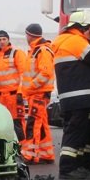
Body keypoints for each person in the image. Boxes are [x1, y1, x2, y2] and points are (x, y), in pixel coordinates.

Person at [52, 10, 90, 178]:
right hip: (79, 96)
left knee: (81, 131)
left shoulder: (65, 40)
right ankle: (67, 168)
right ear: (83, 27)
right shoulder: (75, 41)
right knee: (75, 132)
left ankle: (81, 164)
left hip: (74, 96)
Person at [19, 23, 55, 163]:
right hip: (37, 93)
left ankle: (30, 154)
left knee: (33, 124)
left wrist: (31, 87)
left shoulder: (42, 51)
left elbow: (45, 73)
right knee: (41, 124)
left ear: (29, 35)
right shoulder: (36, 50)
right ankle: (46, 154)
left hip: (38, 94)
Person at [0, 29, 28, 135]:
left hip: (14, 96)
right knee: (2, 123)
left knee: (17, 123)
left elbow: (24, 74)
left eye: (4, 39)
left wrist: (20, 93)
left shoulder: (17, 53)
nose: (1, 41)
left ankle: (22, 147)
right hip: (0, 97)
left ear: (8, 40)